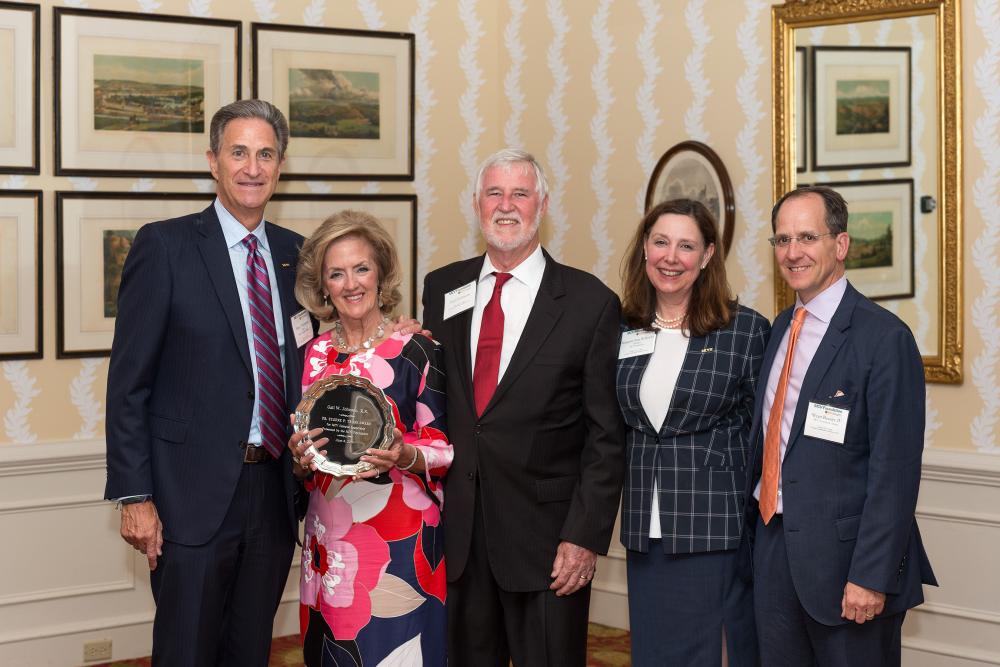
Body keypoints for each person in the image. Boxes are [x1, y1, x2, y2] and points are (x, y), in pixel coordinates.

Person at [105, 100, 310, 665]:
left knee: (249, 651)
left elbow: (325, 353)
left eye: (266, 154)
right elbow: (128, 385)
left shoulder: (298, 255)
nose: (252, 167)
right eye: (238, 152)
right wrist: (135, 497)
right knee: (186, 651)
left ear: (280, 165)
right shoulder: (165, 246)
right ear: (213, 162)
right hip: (186, 498)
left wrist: (396, 331)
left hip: (272, 495)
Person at [421, 148, 625, 666]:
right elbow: (434, 401)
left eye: (520, 193)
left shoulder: (589, 303)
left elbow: (606, 437)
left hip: (548, 543)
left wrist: (583, 537)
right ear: (475, 204)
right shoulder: (443, 287)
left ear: (543, 205)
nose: (505, 206)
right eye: (494, 193)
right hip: (461, 539)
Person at [743, 185, 936, 666]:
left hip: (849, 566)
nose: (793, 252)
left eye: (807, 237)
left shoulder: (884, 338)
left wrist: (871, 575)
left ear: (841, 245)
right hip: (774, 553)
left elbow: (894, 471)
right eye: (782, 240)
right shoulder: (780, 329)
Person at [287, 210, 452, 666]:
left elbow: (444, 449)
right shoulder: (311, 355)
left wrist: (403, 454)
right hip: (329, 544)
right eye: (336, 273)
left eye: (361, 268)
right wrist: (300, 459)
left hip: (401, 539)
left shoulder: (417, 349)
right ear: (323, 286)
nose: (351, 283)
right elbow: (302, 450)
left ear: (381, 272)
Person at [617, 199, 769, 666]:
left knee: (712, 654)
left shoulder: (744, 330)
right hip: (646, 531)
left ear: (706, 257)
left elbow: (761, 437)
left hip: (713, 531)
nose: (671, 257)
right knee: (654, 653)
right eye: (661, 242)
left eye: (686, 246)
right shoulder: (620, 326)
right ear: (645, 248)